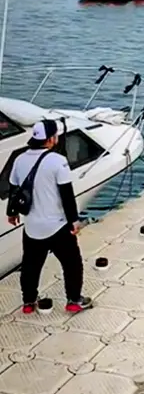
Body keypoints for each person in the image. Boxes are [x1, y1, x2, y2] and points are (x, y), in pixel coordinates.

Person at [6, 120, 93, 313]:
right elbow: (66, 195)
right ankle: (73, 300)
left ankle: (28, 303)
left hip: (32, 226)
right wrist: (74, 221)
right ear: (51, 139)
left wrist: (11, 213)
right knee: (72, 264)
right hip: (57, 225)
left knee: (30, 265)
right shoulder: (57, 161)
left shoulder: (20, 159)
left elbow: (13, 188)